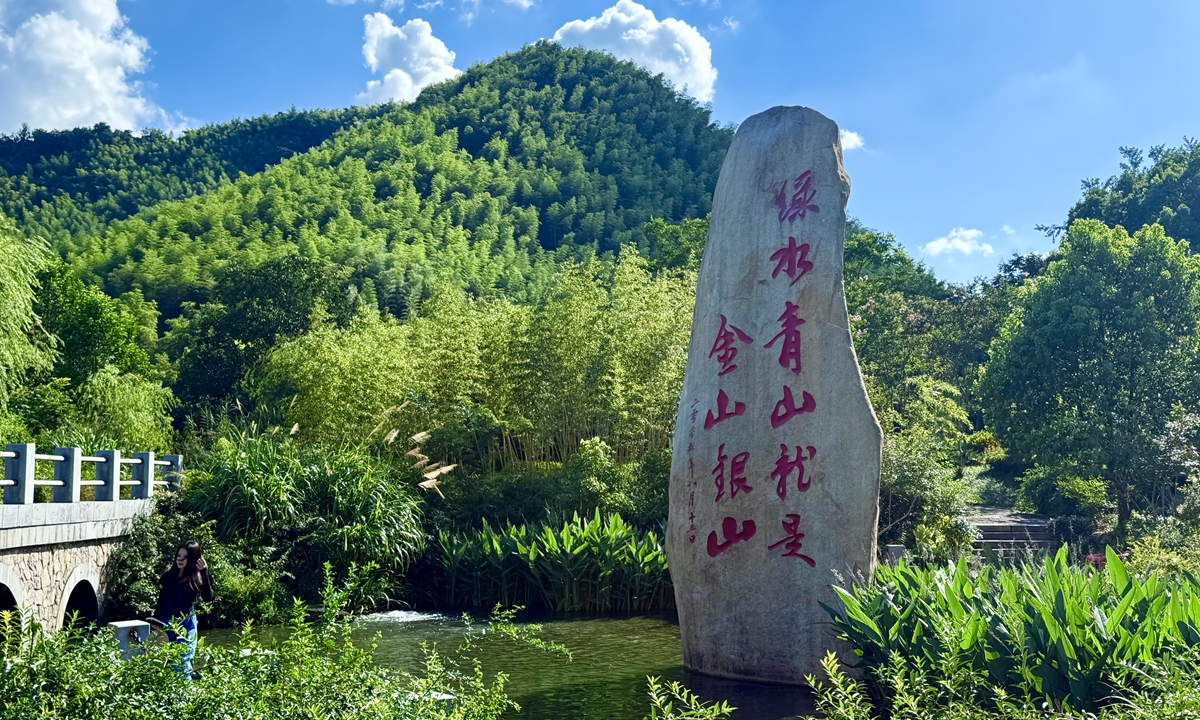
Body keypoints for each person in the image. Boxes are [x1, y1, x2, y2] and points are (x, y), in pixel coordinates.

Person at [150, 541, 213, 679]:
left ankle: (185, 691)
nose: (180, 559)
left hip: (186, 625)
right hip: (165, 623)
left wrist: (204, 573)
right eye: (178, 556)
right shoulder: (169, 576)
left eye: (185, 557)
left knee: (183, 664)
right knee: (164, 664)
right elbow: (162, 600)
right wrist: (155, 621)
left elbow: (208, 598)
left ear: (193, 559)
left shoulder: (196, 578)